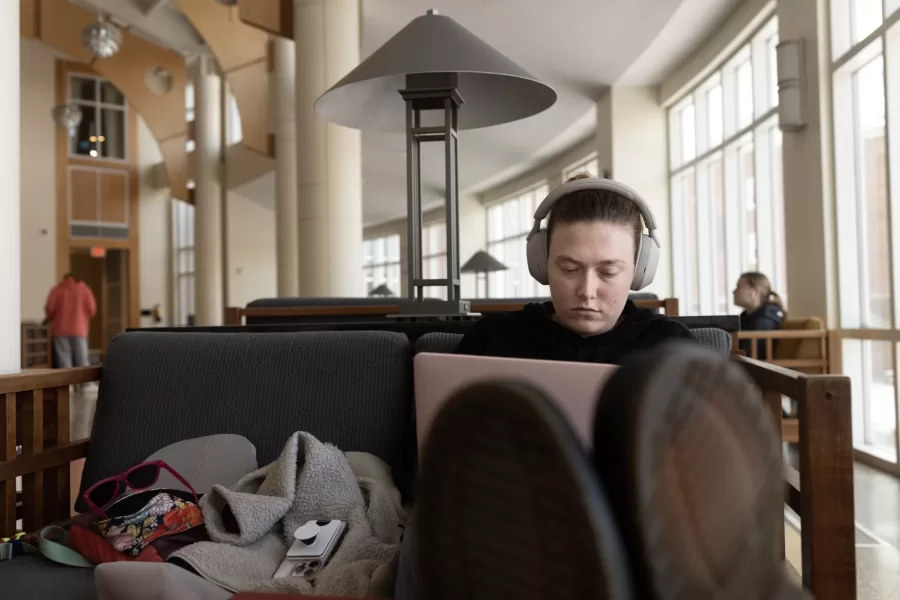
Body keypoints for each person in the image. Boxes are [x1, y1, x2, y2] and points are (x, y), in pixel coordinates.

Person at [455, 174, 694, 364]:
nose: (587, 291)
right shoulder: (492, 339)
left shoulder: (673, 347)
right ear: (542, 263)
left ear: (640, 270)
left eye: (608, 272)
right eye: (569, 269)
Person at [45, 273, 96, 368]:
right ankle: (84, 382)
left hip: (60, 330)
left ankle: (68, 382)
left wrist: (53, 317)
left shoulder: (56, 290)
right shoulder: (84, 289)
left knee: (64, 361)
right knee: (82, 360)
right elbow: (92, 309)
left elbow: (49, 309)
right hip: (79, 329)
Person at [733, 271, 785, 360]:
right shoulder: (746, 317)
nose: (734, 291)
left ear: (755, 291)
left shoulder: (765, 321)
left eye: (739, 287)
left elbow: (748, 356)